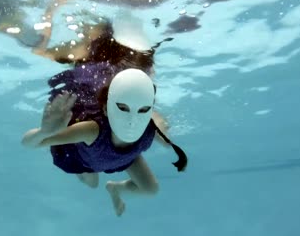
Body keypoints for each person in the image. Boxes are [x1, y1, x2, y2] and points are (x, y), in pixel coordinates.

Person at [21, 69, 187, 217]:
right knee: (92, 184)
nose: (132, 121)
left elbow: (165, 133)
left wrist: (170, 140)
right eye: (123, 108)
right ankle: (84, 173)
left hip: (127, 158)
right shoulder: (92, 131)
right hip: (86, 161)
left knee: (151, 189)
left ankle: (115, 189)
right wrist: (45, 132)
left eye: (143, 110)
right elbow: (28, 143)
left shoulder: (151, 127)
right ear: (106, 109)